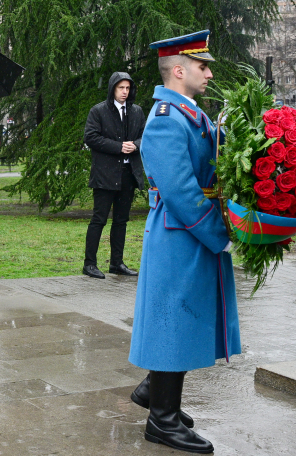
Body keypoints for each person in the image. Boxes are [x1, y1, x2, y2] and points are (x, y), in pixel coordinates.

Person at [128, 31, 240, 454]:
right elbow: (181, 192)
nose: (208, 73)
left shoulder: (190, 114)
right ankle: (162, 420)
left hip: (188, 237)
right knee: (173, 322)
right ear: (179, 70)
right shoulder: (164, 119)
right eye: (202, 66)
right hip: (180, 236)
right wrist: (219, 235)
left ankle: (154, 393)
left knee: (182, 321)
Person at [82, 72, 145, 279]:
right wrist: (119, 147)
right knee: (99, 219)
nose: (125, 92)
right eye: (121, 88)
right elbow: (90, 137)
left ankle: (116, 263)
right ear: (112, 89)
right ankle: (89, 264)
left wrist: (134, 145)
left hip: (128, 174)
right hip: (105, 174)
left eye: (127, 88)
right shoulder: (98, 111)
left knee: (121, 220)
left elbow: (146, 137)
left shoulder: (136, 111)